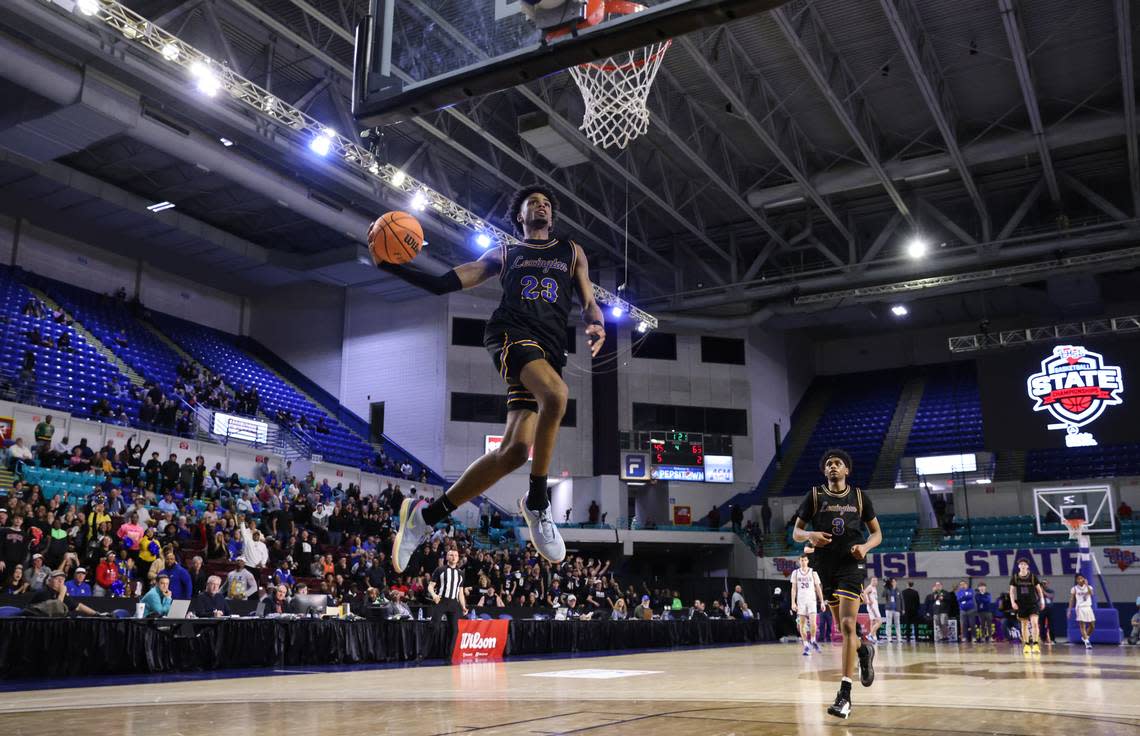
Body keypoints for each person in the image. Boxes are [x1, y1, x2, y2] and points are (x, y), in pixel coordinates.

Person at [384, 186, 606, 574]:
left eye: (547, 203)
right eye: (532, 202)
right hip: (510, 333)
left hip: (549, 350)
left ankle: (423, 518)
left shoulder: (571, 252)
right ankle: (537, 501)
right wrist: (391, 264)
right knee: (556, 395)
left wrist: (597, 322)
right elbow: (441, 283)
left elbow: (589, 302)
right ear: (519, 216)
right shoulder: (504, 254)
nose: (541, 205)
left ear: (551, 217)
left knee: (516, 452)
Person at [791, 448, 882, 720]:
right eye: (829, 463)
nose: (832, 466)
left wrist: (865, 547)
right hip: (825, 566)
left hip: (851, 565)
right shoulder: (815, 495)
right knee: (846, 630)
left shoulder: (859, 497)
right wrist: (810, 534)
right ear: (825, 471)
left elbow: (877, 533)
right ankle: (864, 652)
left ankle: (845, 695)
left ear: (846, 471)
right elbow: (796, 533)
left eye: (838, 463)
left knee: (845, 625)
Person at [427, 547, 467, 654]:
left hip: (454, 603)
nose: (453, 557)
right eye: (451, 555)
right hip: (441, 601)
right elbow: (430, 586)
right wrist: (434, 595)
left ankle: (449, 656)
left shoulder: (461, 573)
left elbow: (460, 592)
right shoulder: (440, 570)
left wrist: (463, 606)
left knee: (454, 630)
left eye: (455, 555)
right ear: (447, 557)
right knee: (433, 626)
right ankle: (422, 654)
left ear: (458, 558)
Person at [24, 570, 99, 616]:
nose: (60, 581)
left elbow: (78, 606)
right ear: (49, 581)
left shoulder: (59, 593)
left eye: (62, 579)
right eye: (57, 579)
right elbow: (56, 609)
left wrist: (96, 614)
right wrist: (63, 592)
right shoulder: (44, 592)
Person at [1009, 558, 1045, 654]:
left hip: (1033, 603)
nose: (1023, 565)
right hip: (1021, 604)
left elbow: (1039, 590)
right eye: (1021, 564)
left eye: (1025, 564)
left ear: (1027, 566)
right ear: (1018, 566)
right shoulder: (1015, 577)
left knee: (1034, 623)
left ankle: (1036, 644)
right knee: (1024, 625)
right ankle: (1027, 645)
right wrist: (1013, 602)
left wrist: (1042, 601)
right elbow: (1011, 591)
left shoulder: (1033, 577)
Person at [790, 554, 824, 655]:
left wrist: (822, 601)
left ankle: (813, 640)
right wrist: (793, 602)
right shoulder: (795, 573)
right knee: (802, 624)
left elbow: (818, 588)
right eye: (801, 560)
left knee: (813, 623)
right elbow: (794, 588)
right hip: (801, 601)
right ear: (799, 561)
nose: (803, 562)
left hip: (811, 600)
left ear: (808, 561)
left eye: (805, 560)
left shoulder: (813, 572)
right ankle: (806, 645)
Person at [1068, 573, 1096, 649]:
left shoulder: (1089, 587)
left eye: (1082, 578)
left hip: (1088, 607)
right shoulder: (1074, 588)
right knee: (1082, 625)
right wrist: (1069, 610)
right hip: (1080, 608)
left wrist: (1086, 585)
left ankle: (1085, 637)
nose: (1080, 580)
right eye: (1079, 579)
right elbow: (1071, 600)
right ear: (1076, 580)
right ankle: (1087, 642)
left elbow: (1092, 593)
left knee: (1092, 625)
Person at [882, 578, 903, 643]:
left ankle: (899, 638)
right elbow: (883, 595)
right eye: (892, 582)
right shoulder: (887, 589)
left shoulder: (898, 590)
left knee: (897, 624)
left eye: (894, 581)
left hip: (897, 609)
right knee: (889, 624)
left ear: (896, 582)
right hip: (889, 609)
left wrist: (903, 608)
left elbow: (902, 600)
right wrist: (885, 587)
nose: (893, 583)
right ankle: (889, 638)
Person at [862, 577, 883, 644]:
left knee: (873, 623)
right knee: (880, 622)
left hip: (874, 607)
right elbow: (864, 593)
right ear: (871, 581)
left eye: (876, 580)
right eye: (874, 580)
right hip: (872, 607)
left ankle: (874, 638)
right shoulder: (870, 587)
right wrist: (866, 601)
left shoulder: (874, 588)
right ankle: (870, 635)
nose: (875, 582)